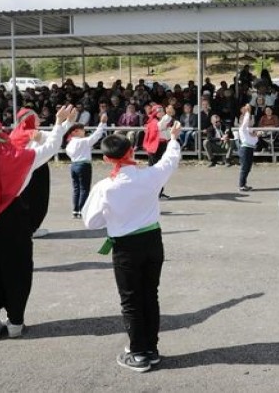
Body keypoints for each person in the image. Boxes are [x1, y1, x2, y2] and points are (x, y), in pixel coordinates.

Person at [0, 106, 76, 342]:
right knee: (17, 270)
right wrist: (60, 124)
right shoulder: (17, 157)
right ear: (0, 132)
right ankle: (16, 322)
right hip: (12, 219)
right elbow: (48, 149)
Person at [81, 122, 182, 372]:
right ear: (132, 151)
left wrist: (113, 216)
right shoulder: (149, 175)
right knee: (150, 294)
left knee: (131, 299)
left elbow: (91, 222)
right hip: (152, 240)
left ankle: (137, 352)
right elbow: (170, 160)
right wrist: (174, 138)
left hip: (125, 245)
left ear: (106, 158)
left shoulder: (105, 187)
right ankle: (151, 348)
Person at [9, 108, 55, 238]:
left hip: (20, 169)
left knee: (24, 198)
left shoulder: (14, 133)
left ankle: (24, 227)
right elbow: (55, 138)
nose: (39, 120)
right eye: (36, 118)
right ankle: (31, 228)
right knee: (38, 200)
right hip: (36, 168)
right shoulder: (33, 133)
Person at [64, 113, 108, 218]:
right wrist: (102, 123)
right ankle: (82, 209)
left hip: (74, 165)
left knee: (76, 188)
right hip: (84, 165)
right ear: (75, 132)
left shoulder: (70, 144)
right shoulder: (82, 142)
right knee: (84, 188)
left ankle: (76, 210)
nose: (84, 132)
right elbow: (96, 136)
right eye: (82, 130)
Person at [142, 105, 172, 199]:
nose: (162, 112)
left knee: (158, 170)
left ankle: (157, 192)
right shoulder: (154, 122)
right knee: (157, 170)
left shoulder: (157, 121)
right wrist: (168, 115)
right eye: (160, 111)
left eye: (162, 111)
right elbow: (160, 126)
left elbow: (166, 133)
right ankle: (156, 193)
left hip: (160, 146)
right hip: (156, 148)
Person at [237, 105, 258, 191]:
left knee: (248, 168)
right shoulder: (242, 129)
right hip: (245, 149)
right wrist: (248, 112)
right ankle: (241, 185)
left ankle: (244, 184)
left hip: (249, 149)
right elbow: (245, 121)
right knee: (245, 168)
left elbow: (254, 140)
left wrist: (256, 135)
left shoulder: (248, 130)